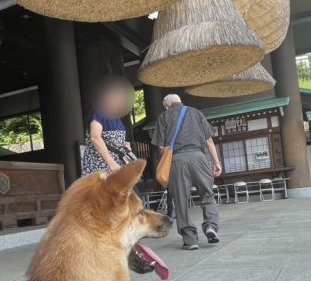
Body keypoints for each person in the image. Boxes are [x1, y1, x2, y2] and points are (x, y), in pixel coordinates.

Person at [151, 94, 222, 250]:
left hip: (177, 161)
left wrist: (166, 165)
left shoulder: (164, 117)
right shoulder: (196, 112)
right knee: (207, 194)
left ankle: (190, 240)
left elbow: (162, 147)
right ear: (180, 102)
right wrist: (216, 162)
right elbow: (208, 140)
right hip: (199, 158)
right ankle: (210, 225)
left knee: (181, 201)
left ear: (166, 106)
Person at [81, 76, 135, 176]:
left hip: (116, 165)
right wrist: (111, 162)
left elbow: (114, 140)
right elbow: (95, 137)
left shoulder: (116, 116)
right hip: (100, 165)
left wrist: (125, 144)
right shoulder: (98, 112)